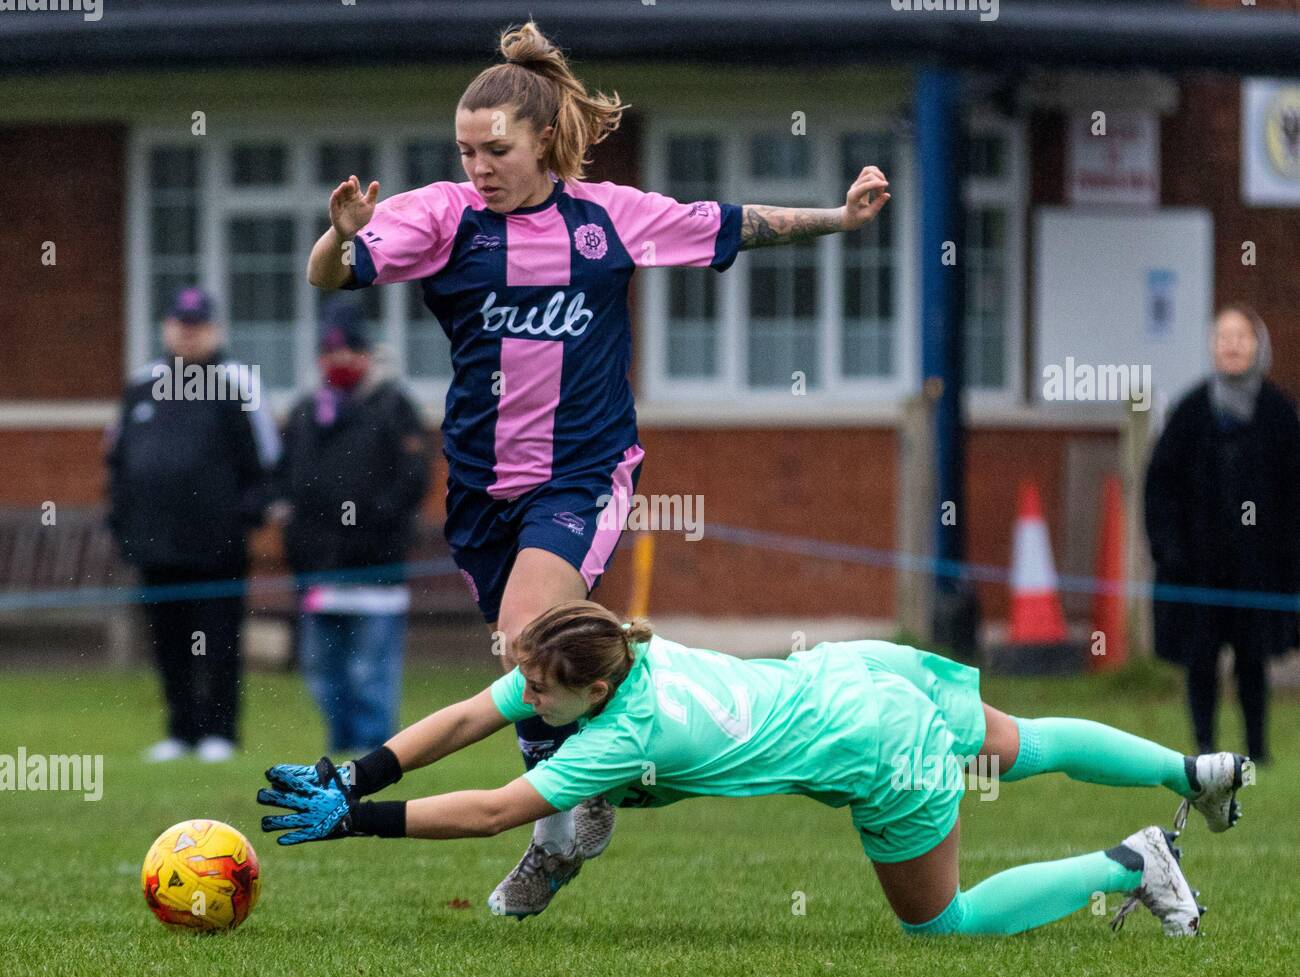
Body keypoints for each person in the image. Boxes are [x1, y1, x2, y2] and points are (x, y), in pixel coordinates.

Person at [305, 20, 892, 917]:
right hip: (481, 485)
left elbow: (730, 225)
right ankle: (579, 800)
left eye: (495, 149)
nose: (478, 166)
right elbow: (329, 278)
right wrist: (340, 235)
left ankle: (552, 833)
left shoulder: (605, 218)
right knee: (522, 658)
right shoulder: (441, 216)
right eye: (465, 150)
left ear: (543, 140)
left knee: (528, 634)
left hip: (583, 473)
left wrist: (839, 217)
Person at [258, 602, 1251, 936]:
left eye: (537, 685)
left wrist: (357, 824)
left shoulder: (619, 732)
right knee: (1026, 743)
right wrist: (360, 772)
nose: (520, 694)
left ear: (588, 692)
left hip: (876, 749)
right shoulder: (607, 653)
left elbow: (487, 809)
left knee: (942, 927)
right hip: (864, 668)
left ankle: (1130, 864)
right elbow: (475, 713)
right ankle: (1190, 767)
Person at [106, 287, 279, 762]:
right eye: (180, 324)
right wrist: (124, 526)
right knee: (168, 643)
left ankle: (219, 731)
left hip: (216, 548)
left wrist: (242, 519)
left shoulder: (237, 383)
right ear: (167, 327)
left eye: (197, 325)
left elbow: (264, 462)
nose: (187, 333)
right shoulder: (142, 385)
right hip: (156, 546)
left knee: (219, 641)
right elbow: (119, 462)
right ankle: (181, 730)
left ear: (214, 330)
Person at [272, 297, 430, 757]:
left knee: (371, 668)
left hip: (375, 566)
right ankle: (340, 746)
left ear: (365, 353)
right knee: (322, 665)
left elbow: (412, 480)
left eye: (348, 351)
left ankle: (372, 751)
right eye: (329, 352)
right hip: (317, 567)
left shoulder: (395, 407)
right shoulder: (305, 411)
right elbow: (287, 479)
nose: (338, 361)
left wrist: (373, 522)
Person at [1144, 303, 1300, 765]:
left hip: (1258, 569)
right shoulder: (1190, 412)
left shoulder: (1279, 413)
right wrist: (1169, 548)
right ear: (1212, 347)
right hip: (1199, 568)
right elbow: (1161, 485)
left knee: (1254, 660)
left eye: (1242, 337)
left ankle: (1257, 751)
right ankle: (1205, 750)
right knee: (1201, 660)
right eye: (1224, 337)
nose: (1232, 346)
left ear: (1259, 346)